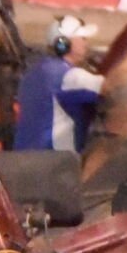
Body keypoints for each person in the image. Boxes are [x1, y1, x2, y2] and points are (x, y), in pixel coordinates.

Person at [14, 15, 104, 154]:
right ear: (63, 44)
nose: (86, 43)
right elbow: (114, 87)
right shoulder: (68, 76)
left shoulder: (33, 72)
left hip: (24, 157)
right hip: (54, 161)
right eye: (82, 38)